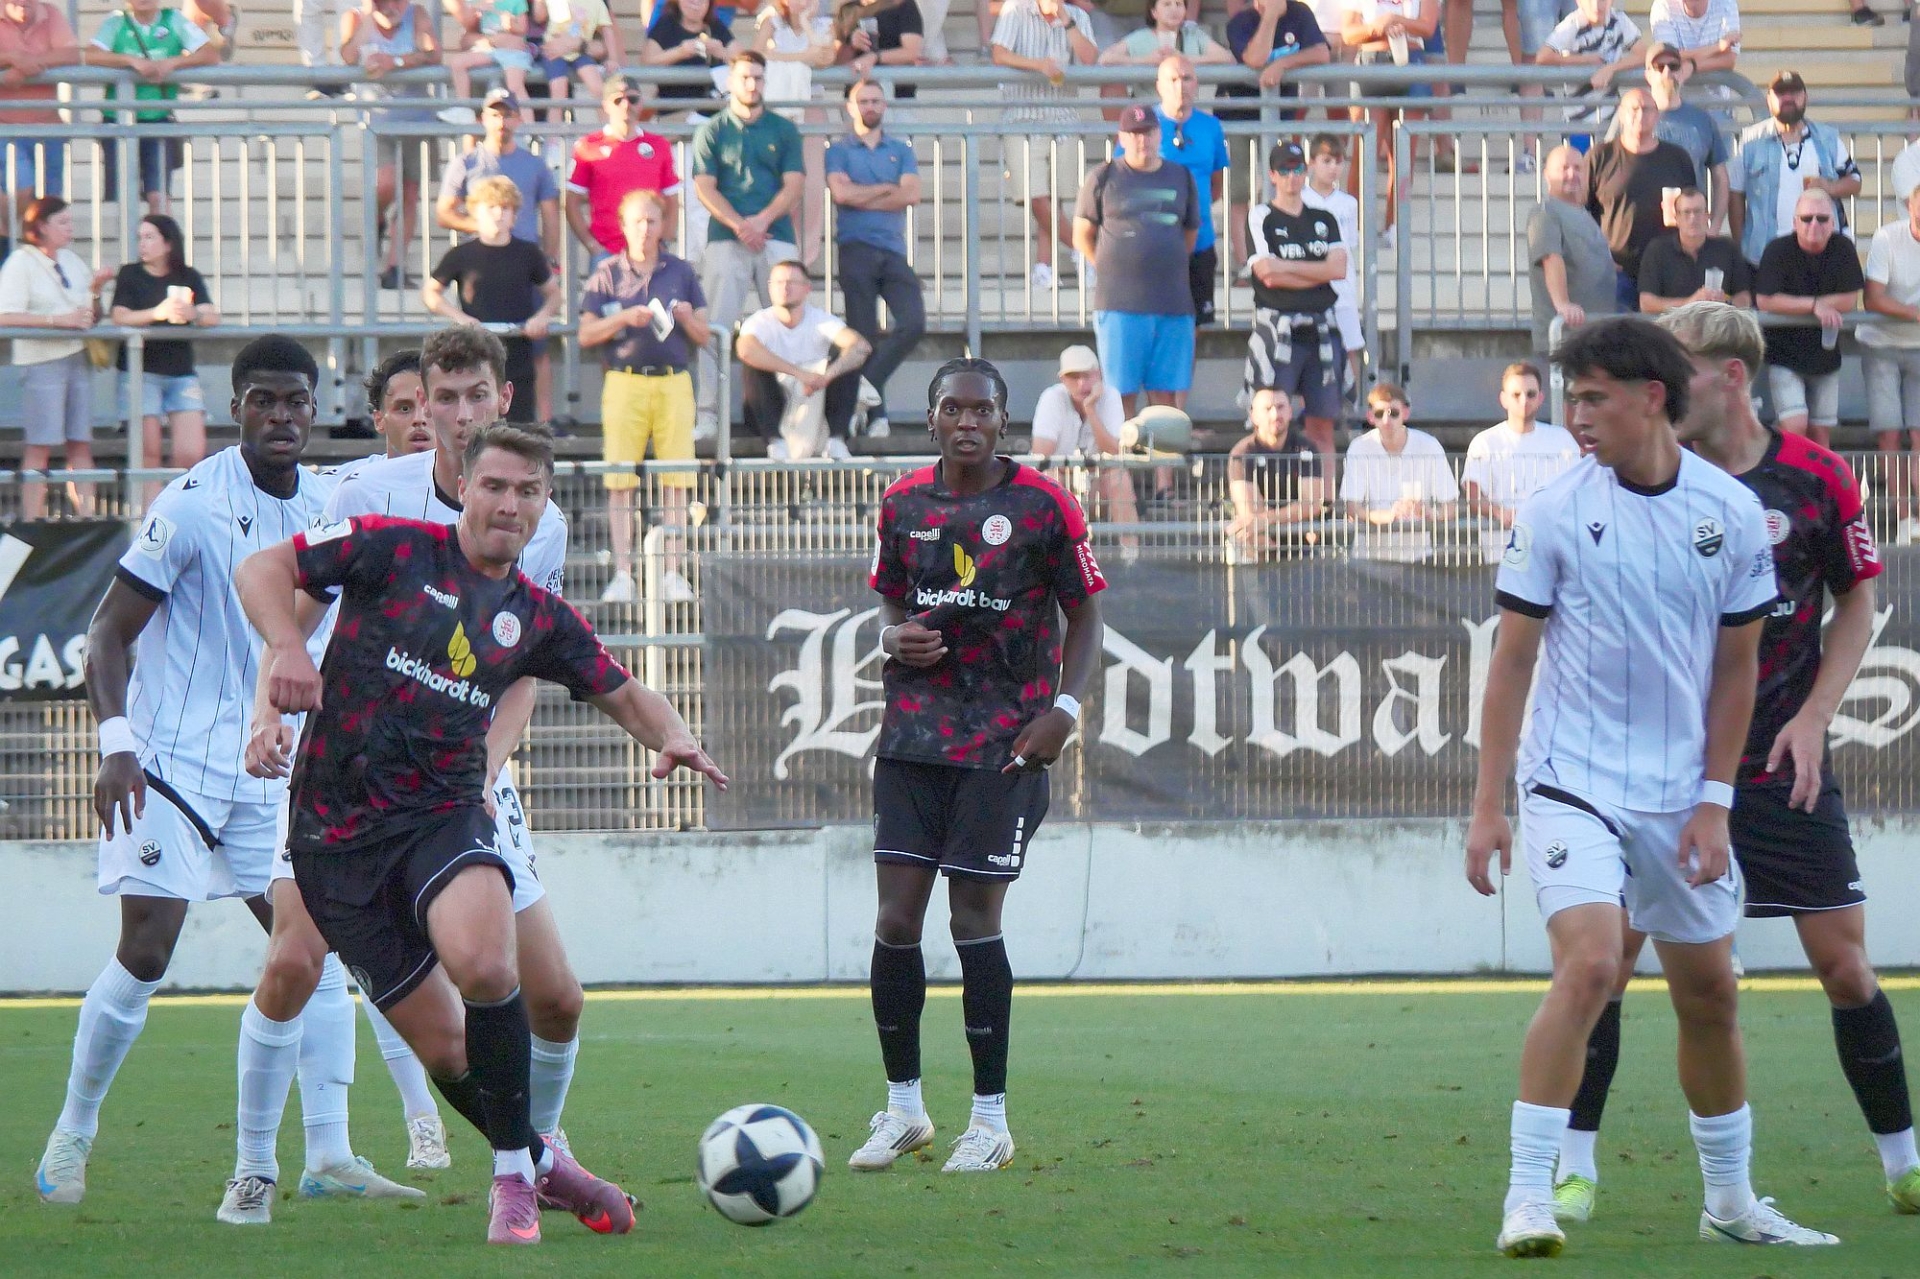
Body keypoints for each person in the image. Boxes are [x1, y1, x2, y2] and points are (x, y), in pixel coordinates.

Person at [235, 423, 724, 1245]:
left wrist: (673, 734)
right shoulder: (389, 547)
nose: (509, 503)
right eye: (495, 485)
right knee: (448, 1051)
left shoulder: (537, 615)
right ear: (464, 486)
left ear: (545, 503)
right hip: (334, 835)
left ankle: (512, 1185)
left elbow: (623, 690)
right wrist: (287, 646)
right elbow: (261, 567)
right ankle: (544, 1163)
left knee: (492, 967)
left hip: (444, 814)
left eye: (528, 491)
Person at [1466, 315, 1838, 1259]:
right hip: (1572, 780)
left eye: (1594, 397)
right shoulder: (1554, 510)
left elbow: (1737, 671)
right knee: (1593, 964)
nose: (1577, 415)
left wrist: (1716, 799)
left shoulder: (1730, 514)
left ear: (1652, 397)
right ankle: (1527, 1197)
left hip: (1681, 793)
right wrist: (1487, 804)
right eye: (1573, 397)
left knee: (1710, 994)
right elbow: (1511, 663)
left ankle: (1730, 1203)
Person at [1544, 300, 1919, 1229]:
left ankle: (1904, 1163)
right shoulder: (1639, 477)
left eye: (1679, 369)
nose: (1661, 387)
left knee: (1845, 965)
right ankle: (1573, 1170)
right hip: (1660, 775)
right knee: (1605, 967)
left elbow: (1859, 601)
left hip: (1780, 764)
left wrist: (1816, 716)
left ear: (1732, 376)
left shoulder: (1817, 478)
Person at [221, 331, 601, 1225]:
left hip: (460, 774)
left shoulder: (539, 517)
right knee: (294, 957)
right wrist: (268, 714)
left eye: (478, 396)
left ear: (502, 401)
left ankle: (535, 1152)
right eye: (445, 397)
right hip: (346, 769)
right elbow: (293, 619)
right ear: (421, 403)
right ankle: (254, 1168)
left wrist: (485, 770)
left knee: (555, 996)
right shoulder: (365, 497)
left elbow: (526, 667)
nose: (462, 415)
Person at [33, 336, 419, 1213]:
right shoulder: (192, 503)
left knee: (312, 950)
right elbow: (106, 632)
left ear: (315, 409)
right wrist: (116, 743)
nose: (281, 416)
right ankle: (73, 1132)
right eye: (263, 400)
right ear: (235, 406)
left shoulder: (326, 508)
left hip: (271, 766)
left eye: (296, 401)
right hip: (168, 761)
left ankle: (329, 1152)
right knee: (147, 948)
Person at [847, 356, 1106, 1177]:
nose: (967, 422)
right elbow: (891, 596)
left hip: (1004, 745)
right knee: (895, 922)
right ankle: (904, 1107)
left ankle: (989, 1118)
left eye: (982, 410)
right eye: (952, 409)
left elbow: (1086, 614)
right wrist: (891, 635)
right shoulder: (902, 503)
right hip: (911, 738)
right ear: (930, 419)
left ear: (1003, 420)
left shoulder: (1042, 504)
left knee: (972, 923)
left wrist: (1064, 710)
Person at [579, 189, 709, 604]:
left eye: (652, 221)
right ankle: (623, 572)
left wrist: (687, 318)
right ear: (623, 225)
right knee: (620, 480)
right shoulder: (607, 272)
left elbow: (705, 335)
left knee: (677, 479)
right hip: (624, 380)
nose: (645, 228)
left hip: (673, 381)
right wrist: (622, 318)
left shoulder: (681, 270)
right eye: (637, 220)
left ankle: (673, 572)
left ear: (663, 225)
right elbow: (585, 334)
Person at [691, 51, 805, 437]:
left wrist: (761, 221)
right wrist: (740, 225)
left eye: (758, 77)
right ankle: (708, 413)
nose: (752, 84)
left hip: (776, 237)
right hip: (726, 238)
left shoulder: (784, 129)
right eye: (744, 77)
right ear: (731, 81)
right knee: (714, 328)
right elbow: (704, 187)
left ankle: (796, 412)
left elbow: (794, 184)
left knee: (790, 325)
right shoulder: (711, 131)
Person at [1072, 105, 1200, 417]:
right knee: (1120, 396)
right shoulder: (1103, 177)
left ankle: (1163, 453)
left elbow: (1189, 235)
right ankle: (1123, 453)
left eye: (1148, 132)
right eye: (1135, 133)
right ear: (1122, 137)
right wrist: (1108, 265)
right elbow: (1082, 235)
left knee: (1165, 396)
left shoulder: (1181, 176)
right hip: (1120, 304)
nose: (1142, 140)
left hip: (1172, 302)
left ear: (1159, 134)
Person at [0, 196, 110, 520]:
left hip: (77, 357)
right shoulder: (21, 262)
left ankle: (87, 519)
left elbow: (91, 314)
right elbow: (5, 315)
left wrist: (96, 291)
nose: (69, 228)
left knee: (80, 442)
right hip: (41, 361)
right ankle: (31, 521)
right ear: (41, 226)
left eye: (69, 221)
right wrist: (57, 321)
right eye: (62, 222)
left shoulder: (72, 260)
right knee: (40, 444)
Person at [825, 79, 924, 438]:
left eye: (875, 101)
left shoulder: (901, 149)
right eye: (863, 101)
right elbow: (841, 194)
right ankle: (877, 416)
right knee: (863, 334)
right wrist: (885, 188)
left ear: (884, 106)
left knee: (913, 323)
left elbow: (910, 195)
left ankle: (863, 387)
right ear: (850, 107)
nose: (869, 106)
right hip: (855, 248)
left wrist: (862, 194)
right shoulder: (839, 150)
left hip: (893, 250)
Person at [423, 176, 561, 425]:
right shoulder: (460, 255)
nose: (498, 214)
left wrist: (541, 317)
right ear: (475, 212)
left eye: (505, 208)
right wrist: (460, 318)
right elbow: (430, 293)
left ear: (514, 216)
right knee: (477, 424)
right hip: (476, 352)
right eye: (491, 207)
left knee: (518, 425)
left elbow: (554, 294)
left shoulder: (529, 253)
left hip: (518, 352)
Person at [1245, 140, 1346, 461]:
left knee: (1323, 425)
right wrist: (1318, 272)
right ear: (1273, 175)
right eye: (1285, 170)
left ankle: (1325, 492)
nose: (1292, 176)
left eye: (1298, 169)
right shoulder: (1262, 216)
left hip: (1320, 328)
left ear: (1306, 171)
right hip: (1278, 328)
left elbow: (1338, 269)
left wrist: (1286, 267)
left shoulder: (1324, 218)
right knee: (1270, 420)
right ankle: (1268, 486)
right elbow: (1267, 275)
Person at [990, 0, 1098, 290]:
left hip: (1064, 115)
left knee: (1056, 198)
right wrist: (1039, 65)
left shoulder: (1077, 16)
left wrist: (1067, 20)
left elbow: (1090, 59)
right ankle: (1085, 252)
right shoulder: (1015, 9)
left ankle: (1043, 267)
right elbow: (999, 54)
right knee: (1035, 195)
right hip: (1021, 115)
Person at [341, 0, 442, 291]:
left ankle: (395, 268)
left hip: (417, 119)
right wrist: (369, 21)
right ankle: (376, 221)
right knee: (385, 182)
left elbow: (434, 54)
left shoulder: (417, 14)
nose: (391, 5)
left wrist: (396, 62)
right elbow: (348, 57)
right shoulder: (355, 18)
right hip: (378, 122)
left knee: (410, 194)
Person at [108, 213, 218, 478]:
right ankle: (149, 503)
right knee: (148, 453)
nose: (142, 244)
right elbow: (119, 316)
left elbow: (212, 315)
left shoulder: (187, 275)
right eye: (140, 238)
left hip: (181, 371)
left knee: (191, 452)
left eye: (149, 237)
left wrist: (193, 314)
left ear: (168, 243)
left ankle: (177, 498)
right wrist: (157, 313)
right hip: (140, 372)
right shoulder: (130, 274)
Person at [1219, 0, 1327, 269]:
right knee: (1240, 192)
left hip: (1279, 114)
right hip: (1238, 115)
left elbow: (1321, 53)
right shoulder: (1241, 22)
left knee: (1282, 185)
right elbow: (1255, 58)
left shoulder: (1300, 12)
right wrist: (1270, 17)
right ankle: (1245, 263)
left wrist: (1283, 64)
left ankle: (1277, 254)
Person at [88, 0, 219, 216]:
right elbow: (92, 55)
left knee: (158, 196)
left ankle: (161, 236)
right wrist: (130, 61)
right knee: (123, 194)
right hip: (117, 120)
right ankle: (128, 238)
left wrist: (171, 63)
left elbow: (209, 54)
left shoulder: (173, 19)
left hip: (158, 119)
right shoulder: (116, 20)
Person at [1755, 188, 1862, 446]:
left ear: (1833, 223)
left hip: (1826, 356)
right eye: (1806, 218)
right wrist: (1814, 305)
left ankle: (1816, 476)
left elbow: (1849, 299)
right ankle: (1788, 472)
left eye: (1822, 218)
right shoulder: (1777, 249)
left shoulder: (1843, 248)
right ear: (1794, 222)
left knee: (1820, 433)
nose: (1814, 224)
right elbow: (1765, 300)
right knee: (1795, 426)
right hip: (1784, 355)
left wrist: (1800, 305)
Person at [737, 259, 872, 459]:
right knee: (753, 367)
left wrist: (826, 377)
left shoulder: (820, 319)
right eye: (779, 282)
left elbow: (861, 347)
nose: (785, 288)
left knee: (847, 362)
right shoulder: (759, 321)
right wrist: (800, 374)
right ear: (770, 288)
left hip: (814, 397)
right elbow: (745, 350)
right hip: (774, 403)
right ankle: (775, 441)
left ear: (807, 288)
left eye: (792, 282)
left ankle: (836, 440)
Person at [1729, 71, 1861, 272]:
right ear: (1769, 100)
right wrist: (1741, 246)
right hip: (1765, 255)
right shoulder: (1750, 141)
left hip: (1822, 251)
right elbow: (1735, 194)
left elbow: (1855, 181)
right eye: (1781, 93)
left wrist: (1830, 187)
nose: (1788, 98)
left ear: (1805, 97)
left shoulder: (1827, 139)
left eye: (1794, 92)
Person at [1586, 88, 1698, 313]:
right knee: (1618, 332)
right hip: (1616, 269)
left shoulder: (1677, 158)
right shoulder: (1600, 156)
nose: (1640, 114)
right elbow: (1581, 212)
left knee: (1666, 334)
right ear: (1621, 114)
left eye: (1647, 109)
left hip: (1667, 269)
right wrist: (1598, 257)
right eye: (1633, 109)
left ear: (1657, 115)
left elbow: (1692, 209)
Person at [1342, 0, 1440, 241]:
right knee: (1364, 152)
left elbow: (1428, 27)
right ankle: (1354, 227)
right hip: (1370, 60)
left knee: (1403, 155)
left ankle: (1394, 225)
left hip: (1410, 59)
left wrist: (1396, 21)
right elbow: (1348, 33)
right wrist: (1377, 27)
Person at [1461, 362, 1579, 559]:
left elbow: (1577, 490)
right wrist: (1500, 513)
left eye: (1531, 394)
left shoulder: (1562, 440)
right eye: (1516, 394)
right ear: (1503, 399)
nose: (1524, 400)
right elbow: (1473, 496)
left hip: (1552, 548)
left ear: (1540, 398)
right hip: (1503, 550)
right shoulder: (1485, 442)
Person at [565, 73, 682, 260]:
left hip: (650, 253)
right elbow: (571, 202)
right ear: (606, 105)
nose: (626, 105)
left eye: (632, 99)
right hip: (606, 252)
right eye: (618, 100)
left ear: (641, 103)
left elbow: (673, 201)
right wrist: (592, 246)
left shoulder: (659, 145)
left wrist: (664, 242)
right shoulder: (587, 146)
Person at [1861, 179, 1920, 544]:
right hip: (1880, 343)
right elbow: (1872, 299)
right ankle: (1903, 519)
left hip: (1918, 347)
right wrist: (1914, 314)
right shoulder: (1887, 237)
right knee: (1890, 434)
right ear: (1909, 207)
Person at [1339, 380, 1458, 560]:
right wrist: (1391, 516)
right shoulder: (1359, 447)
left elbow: (1450, 508)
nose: (1386, 420)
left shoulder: (1429, 446)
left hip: (1417, 558)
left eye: (1393, 413)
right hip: (1369, 560)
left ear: (1405, 413)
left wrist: (1429, 513)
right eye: (1379, 413)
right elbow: (1352, 508)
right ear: (1370, 417)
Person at [1152, 56, 1230, 331]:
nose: (1180, 86)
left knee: (1195, 325)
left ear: (1196, 84)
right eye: (1173, 79)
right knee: (1157, 324)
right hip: (1157, 242)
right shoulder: (1145, 125)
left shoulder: (1211, 126)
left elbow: (1216, 183)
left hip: (1200, 240)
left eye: (1187, 78)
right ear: (1159, 85)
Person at [0, 0, 82, 249]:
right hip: (5, 127)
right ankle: (9, 244)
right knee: (21, 188)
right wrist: (11, 58)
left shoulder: (51, 14)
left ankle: (36, 253)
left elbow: (71, 54)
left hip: (48, 127)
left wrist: (29, 64)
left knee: (49, 203)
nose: (22, 4)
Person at [1529, 144, 1618, 354]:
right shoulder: (1546, 212)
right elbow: (1551, 258)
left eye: (1578, 168)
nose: (1572, 174)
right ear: (1547, 175)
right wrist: (1563, 304)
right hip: (1566, 341)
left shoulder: (1584, 214)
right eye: (1564, 168)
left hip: (1595, 338)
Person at [1226, 388, 1329, 560]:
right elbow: (1249, 511)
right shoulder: (1241, 453)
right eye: (1267, 409)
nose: (1275, 414)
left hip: (1300, 543)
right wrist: (1281, 519)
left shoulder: (1306, 448)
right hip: (1258, 545)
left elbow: (1312, 505)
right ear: (1253, 416)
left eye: (1280, 407)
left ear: (1290, 412)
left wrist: (1266, 519)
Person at [1640, 42, 1730, 231]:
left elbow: (1720, 177)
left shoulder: (1702, 120)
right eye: (1659, 67)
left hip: (1690, 229)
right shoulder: (1632, 117)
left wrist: (1715, 226)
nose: (1667, 73)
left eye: (1673, 66)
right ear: (1647, 75)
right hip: (1643, 229)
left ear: (1682, 72)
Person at [1302, 133, 1366, 393]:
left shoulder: (1348, 203)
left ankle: (1357, 398)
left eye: (1338, 162)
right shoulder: (1301, 200)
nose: (1333, 168)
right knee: (1310, 346)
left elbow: (1349, 244)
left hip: (1342, 286)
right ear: (1312, 163)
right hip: (1310, 286)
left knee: (1351, 344)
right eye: (1326, 161)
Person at [1637, 187, 1751, 314]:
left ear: (1707, 216)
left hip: (1717, 323)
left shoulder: (1727, 249)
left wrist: (1725, 303)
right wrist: (1690, 303)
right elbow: (1646, 303)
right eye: (1686, 212)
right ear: (1676, 218)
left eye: (1697, 211)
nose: (1692, 218)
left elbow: (1744, 298)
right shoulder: (1657, 250)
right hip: (1673, 325)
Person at [1536, 0, 1643, 133]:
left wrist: (1611, 68)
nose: (1596, 6)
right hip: (1577, 116)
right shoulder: (1572, 23)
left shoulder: (1619, 19)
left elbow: (1643, 54)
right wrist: (1585, 60)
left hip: (1611, 114)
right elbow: (1543, 57)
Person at [443, 0, 534, 123]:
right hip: (490, 49)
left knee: (515, 86)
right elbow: (469, 25)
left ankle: (529, 126)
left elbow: (523, 28)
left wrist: (508, 22)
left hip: (513, 51)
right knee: (457, 63)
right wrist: (475, 12)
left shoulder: (516, 2)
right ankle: (463, 107)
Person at [640, 0, 738, 106]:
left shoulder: (715, 26)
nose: (695, 4)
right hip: (673, 106)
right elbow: (647, 63)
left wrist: (721, 52)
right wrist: (680, 52)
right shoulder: (665, 25)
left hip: (711, 106)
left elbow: (743, 60)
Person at [533, 0, 623, 111]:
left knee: (598, 88)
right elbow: (539, 17)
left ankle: (605, 121)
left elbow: (607, 32)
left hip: (580, 53)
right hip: (553, 51)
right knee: (558, 93)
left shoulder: (597, 3)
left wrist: (613, 59)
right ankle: (554, 122)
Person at [833, 0, 926, 101]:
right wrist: (851, 43)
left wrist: (875, 57)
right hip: (857, 95)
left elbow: (912, 53)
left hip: (897, 95)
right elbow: (837, 61)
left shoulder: (902, 4)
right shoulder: (847, 9)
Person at [1645, 0, 1737, 78]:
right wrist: (1717, 47)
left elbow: (1729, 59)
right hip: (1676, 91)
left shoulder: (1726, 3)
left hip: (1717, 92)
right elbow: (1669, 58)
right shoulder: (1663, 5)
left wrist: (1692, 66)